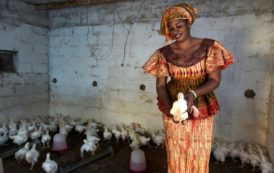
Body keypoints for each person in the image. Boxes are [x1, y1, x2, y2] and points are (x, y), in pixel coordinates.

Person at [142, 3, 234, 173]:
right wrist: (171, 110)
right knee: (176, 148)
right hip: (173, 104)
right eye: (171, 27)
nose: (175, 31)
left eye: (179, 25)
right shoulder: (163, 53)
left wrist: (193, 94)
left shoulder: (209, 47)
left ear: (188, 22)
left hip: (201, 103)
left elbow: (214, 80)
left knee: (199, 148)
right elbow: (161, 86)